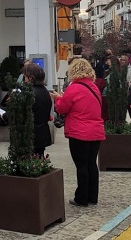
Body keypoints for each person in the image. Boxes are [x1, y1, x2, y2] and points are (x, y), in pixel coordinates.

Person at [51, 58, 105, 207]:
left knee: (81, 165)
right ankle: (92, 197)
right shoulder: (94, 87)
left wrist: (57, 99)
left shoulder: (73, 88)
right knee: (91, 164)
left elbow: (62, 108)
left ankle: (81, 198)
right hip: (95, 131)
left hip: (79, 132)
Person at [23, 64, 52, 157]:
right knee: (39, 158)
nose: (24, 79)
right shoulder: (45, 91)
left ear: (30, 77)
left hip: (30, 134)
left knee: (28, 160)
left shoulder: (29, 93)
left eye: (25, 76)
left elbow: (23, 113)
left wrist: (5, 115)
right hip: (42, 133)